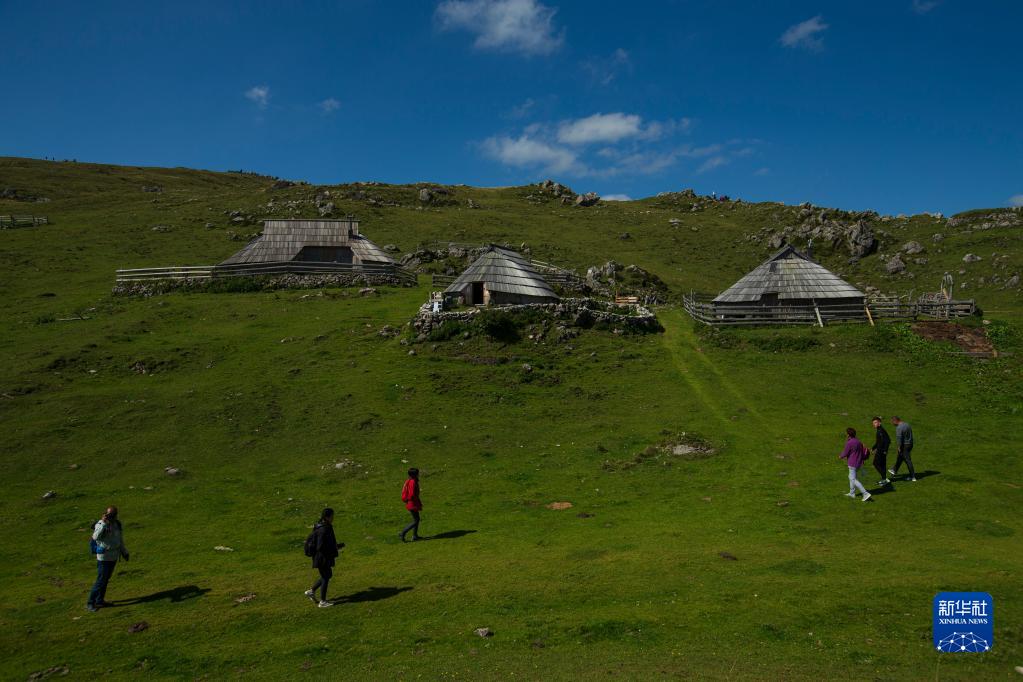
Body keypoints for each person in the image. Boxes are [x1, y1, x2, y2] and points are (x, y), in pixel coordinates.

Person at [87, 506, 129, 612]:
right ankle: (90, 603)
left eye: (114, 514)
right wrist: (104, 523)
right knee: (101, 580)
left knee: (105, 579)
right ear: (106, 514)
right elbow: (95, 537)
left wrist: (124, 552)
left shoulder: (117, 524)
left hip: (113, 556)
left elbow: (120, 539)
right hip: (104, 558)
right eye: (110, 514)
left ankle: (99, 600)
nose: (113, 517)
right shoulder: (100, 524)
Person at [304, 508, 344, 608]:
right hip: (322, 557)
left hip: (320, 557)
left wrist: (336, 546)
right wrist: (332, 549)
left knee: (327, 575)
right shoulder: (324, 528)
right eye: (331, 516)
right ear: (327, 517)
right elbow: (320, 545)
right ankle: (322, 602)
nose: (333, 518)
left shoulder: (320, 526)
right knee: (326, 576)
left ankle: (311, 591)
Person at [839, 428, 872, 502]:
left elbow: (845, 452)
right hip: (859, 463)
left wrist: (840, 456)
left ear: (848, 434)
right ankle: (852, 493)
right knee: (851, 477)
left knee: (853, 479)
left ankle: (865, 493)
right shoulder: (858, 441)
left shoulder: (849, 442)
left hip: (852, 463)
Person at [889, 416, 917, 481]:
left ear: (895, 421)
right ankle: (894, 470)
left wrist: (899, 447)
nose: (892, 424)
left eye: (892, 422)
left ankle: (913, 477)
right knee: (900, 457)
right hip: (910, 444)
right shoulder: (907, 424)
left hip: (904, 446)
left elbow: (899, 439)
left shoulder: (899, 428)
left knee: (907, 460)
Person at [399, 468, 422, 542]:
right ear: (415, 475)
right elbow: (411, 494)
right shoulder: (413, 482)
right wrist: (411, 500)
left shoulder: (409, 480)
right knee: (416, 520)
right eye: (417, 473)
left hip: (411, 502)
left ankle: (415, 536)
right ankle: (403, 533)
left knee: (417, 519)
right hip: (412, 503)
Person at [870, 416, 892, 486]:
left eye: (875, 422)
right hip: (881, 450)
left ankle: (884, 479)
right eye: (873, 423)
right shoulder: (880, 430)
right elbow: (878, 442)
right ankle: (884, 479)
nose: (874, 424)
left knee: (875, 464)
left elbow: (888, 441)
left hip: (881, 451)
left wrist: (885, 450)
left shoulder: (881, 431)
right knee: (882, 465)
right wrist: (873, 448)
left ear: (879, 423)